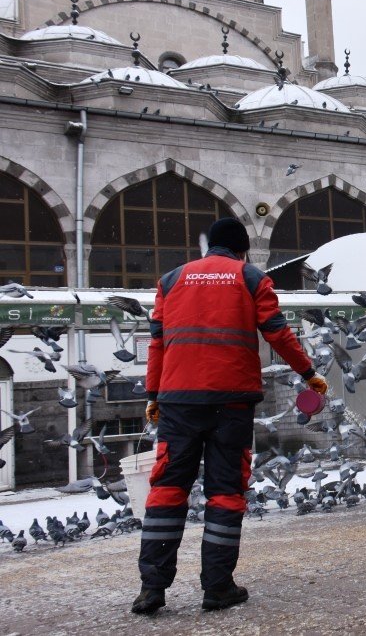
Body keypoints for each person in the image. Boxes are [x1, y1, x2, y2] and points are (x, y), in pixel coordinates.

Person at [132, 217, 328, 615]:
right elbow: (278, 333)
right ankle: (217, 587)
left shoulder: (171, 280)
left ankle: (151, 589)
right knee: (225, 492)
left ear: (210, 246)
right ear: (242, 250)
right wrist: (308, 373)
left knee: (168, 488)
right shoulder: (251, 277)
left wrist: (153, 394)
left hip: (178, 402)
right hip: (231, 401)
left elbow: (157, 343)